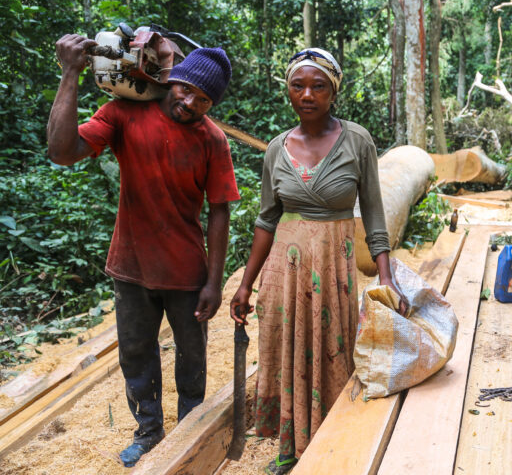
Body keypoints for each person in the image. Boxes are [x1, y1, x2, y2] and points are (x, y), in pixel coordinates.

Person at [47, 34, 240, 467]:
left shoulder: (212, 140)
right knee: (136, 353)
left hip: (187, 273)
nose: (190, 103)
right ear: (173, 79)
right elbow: (62, 152)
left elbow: (219, 212)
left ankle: (189, 433)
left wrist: (214, 283)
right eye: (186, 89)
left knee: (192, 358)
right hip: (131, 268)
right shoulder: (124, 113)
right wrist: (70, 73)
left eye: (204, 100)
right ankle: (149, 432)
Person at [229, 48, 406, 475]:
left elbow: (375, 214)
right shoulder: (276, 148)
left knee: (333, 351)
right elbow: (266, 220)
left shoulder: (358, 141)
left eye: (318, 86)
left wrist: (387, 277)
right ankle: (290, 450)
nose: (307, 94)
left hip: (334, 269)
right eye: (298, 85)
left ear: (333, 91)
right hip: (284, 272)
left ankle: (333, 445)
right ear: (288, 91)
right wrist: (244, 284)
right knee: (288, 352)